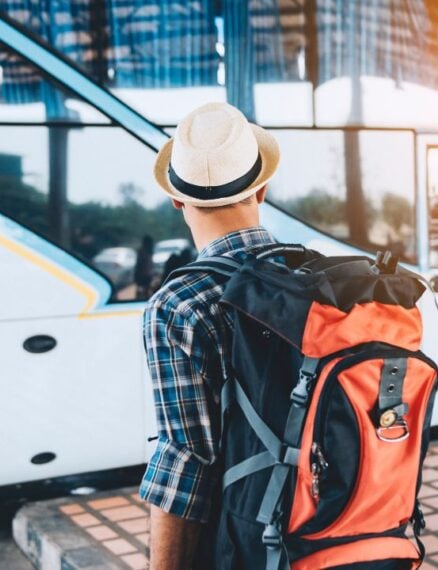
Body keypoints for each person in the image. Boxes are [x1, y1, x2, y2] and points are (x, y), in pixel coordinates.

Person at [139, 102, 280, 569]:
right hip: (339, 529)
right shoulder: (313, 275)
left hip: (249, 544)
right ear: (261, 190)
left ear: (177, 200)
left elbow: (185, 458)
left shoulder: (179, 304)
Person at [133, 235, 155, 300]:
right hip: (143, 275)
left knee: (145, 291)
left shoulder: (146, 252)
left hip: (145, 275)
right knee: (142, 291)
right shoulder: (143, 252)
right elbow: (143, 265)